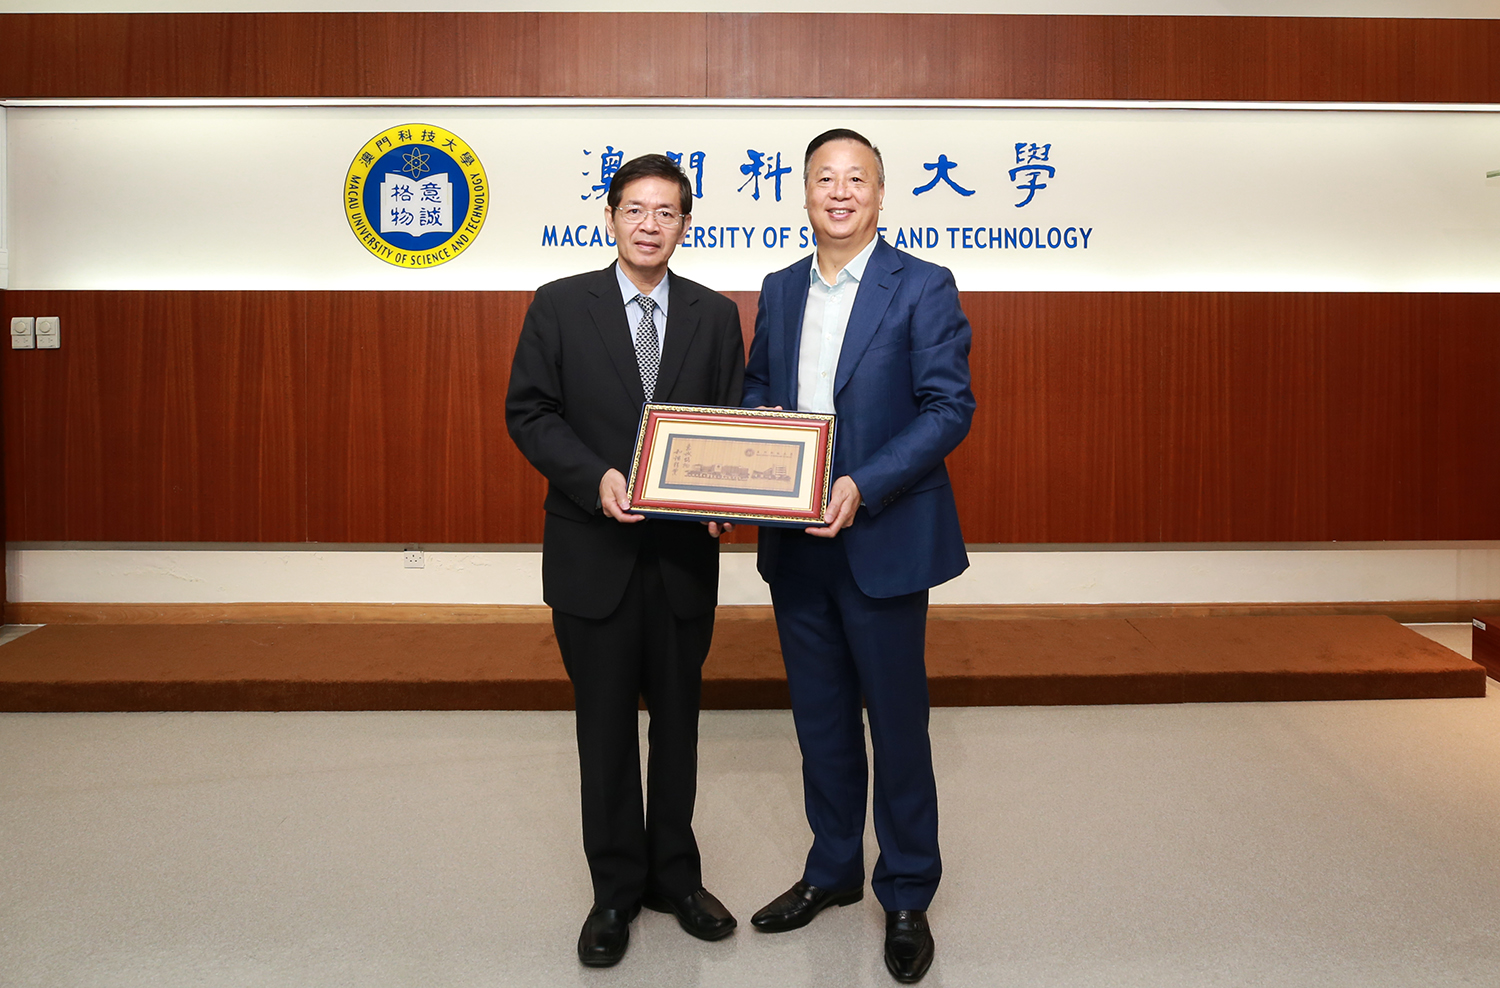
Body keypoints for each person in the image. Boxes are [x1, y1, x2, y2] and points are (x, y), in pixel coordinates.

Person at [742, 129, 975, 984]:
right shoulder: (779, 287)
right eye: (824, 179)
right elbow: (759, 387)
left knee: (898, 725)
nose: (839, 193)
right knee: (821, 721)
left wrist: (862, 484)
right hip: (795, 545)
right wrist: (757, 429)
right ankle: (833, 868)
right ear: (804, 192)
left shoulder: (922, 285)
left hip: (882, 538)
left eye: (856, 180)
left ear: (880, 194)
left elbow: (948, 407)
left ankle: (906, 893)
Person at [505, 153, 745, 968]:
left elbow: (730, 428)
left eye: (667, 212)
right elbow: (530, 413)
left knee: (678, 727)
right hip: (591, 551)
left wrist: (729, 495)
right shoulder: (559, 304)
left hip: (682, 559)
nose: (650, 225)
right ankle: (613, 891)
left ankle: (676, 878)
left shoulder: (716, 316)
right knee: (603, 729)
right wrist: (594, 477)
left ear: (686, 225)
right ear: (609, 217)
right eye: (635, 209)